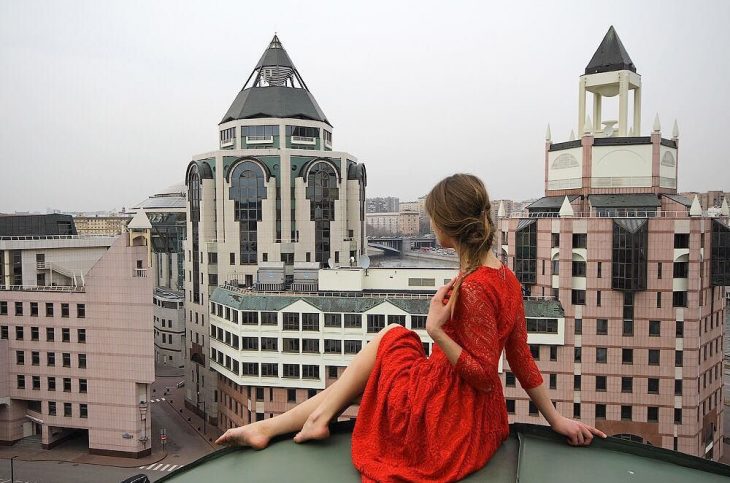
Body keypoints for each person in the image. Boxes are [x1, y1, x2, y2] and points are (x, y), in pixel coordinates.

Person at [216, 173, 606, 482]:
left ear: (448, 226)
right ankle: (280, 425)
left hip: (447, 420)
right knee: (387, 349)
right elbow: (520, 356)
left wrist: (435, 331)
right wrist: (555, 419)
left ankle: (292, 423)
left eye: (432, 216)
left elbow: (485, 376)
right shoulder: (504, 277)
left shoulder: (473, 288)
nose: (428, 222)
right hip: (481, 418)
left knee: (392, 339)